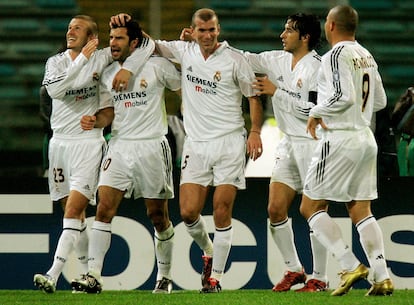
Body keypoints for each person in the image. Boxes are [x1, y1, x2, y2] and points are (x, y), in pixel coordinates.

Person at [139, 8, 263, 293]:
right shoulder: (184, 51)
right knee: (188, 212)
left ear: (218, 30)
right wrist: (130, 25)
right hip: (196, 144)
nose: (207, 36)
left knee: (221, 209)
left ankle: (215, 278)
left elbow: (253, 96)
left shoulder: (235, 59)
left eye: (212, 30)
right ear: (192, 31)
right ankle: (208, 250)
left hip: (230, 142)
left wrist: (255, 131)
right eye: (202, 31)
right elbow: (149, 43)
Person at [33, 14, 155, 293]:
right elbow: (54, 90)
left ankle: (53, 274)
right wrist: (81, 62)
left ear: (92, 37)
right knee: (72, 215)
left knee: (75, 210)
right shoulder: (56, 62)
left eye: (77, 28)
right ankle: (89, 276)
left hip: (88, 144)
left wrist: (127, 70)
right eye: (69, 27)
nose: (70, 32)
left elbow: (146, 45)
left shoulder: (102, 58)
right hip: (59, 144)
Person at [70, 18, 180, 294]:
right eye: (111, 37)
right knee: (104, 208)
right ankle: (93, 275)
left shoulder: (157, 66)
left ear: (134, 43)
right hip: (119, 145)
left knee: (157, 216)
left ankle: (164, 276)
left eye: (119, 38)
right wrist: (95, 120)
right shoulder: (107, 72)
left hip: (152, 146)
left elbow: (183, 85)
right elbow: (109, 112)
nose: (113, 43)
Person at [300, 5, 394, 296]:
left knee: (310, 206)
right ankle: (382, 276)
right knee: (361, 209)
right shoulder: (366, 54)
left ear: (330, 25)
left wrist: (317, 111)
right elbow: (379, 100)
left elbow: (344, 96)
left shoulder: (335, 56)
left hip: (340, 138)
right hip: (365, 138)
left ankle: (349, 263)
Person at [240, 13, 329, 292]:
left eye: (289, 30)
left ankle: (320, 277)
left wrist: (277, 92)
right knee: (275, 208)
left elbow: (313, 110)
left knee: (315, 211)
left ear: (305, 37)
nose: (282, 35)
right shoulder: (275, 60)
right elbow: (243, 57)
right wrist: (206, 44)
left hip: (314, 143)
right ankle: (294, 269)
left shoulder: (318, 67)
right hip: (289, 142)